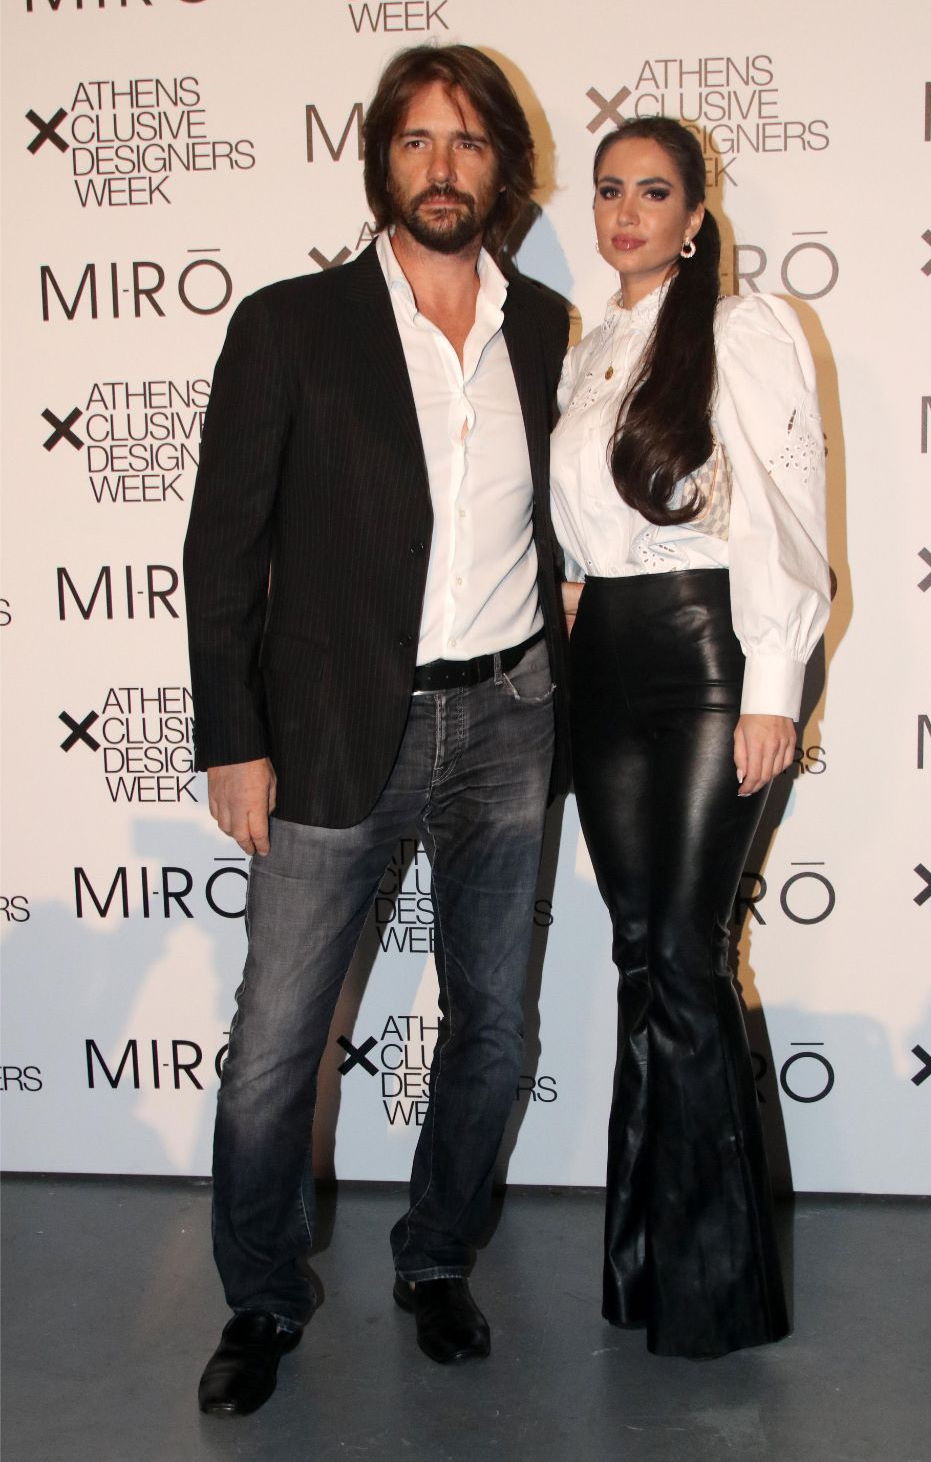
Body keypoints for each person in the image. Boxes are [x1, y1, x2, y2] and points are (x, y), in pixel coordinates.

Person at [183, 44, 569, 1414]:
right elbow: (222, 550)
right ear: (380, 165)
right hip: (339, 724)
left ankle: (437, 1256)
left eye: (467, 142)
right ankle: (262, 1294)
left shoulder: (548, 329)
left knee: (496, 1029)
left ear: (501, 168)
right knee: (275, 1043)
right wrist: (233, 738)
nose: (441, 167)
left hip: (511, 718)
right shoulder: (291, 325)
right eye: (416, 141)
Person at [550, 117, 830, 1358]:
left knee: (682, 948)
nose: (625, 212)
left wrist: (773, 684)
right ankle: (642, 1267)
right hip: (605, 661)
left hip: (715, 655)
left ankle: (715, 1289)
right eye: (609, 189)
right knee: (637, 955)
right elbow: (580, 516)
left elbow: (783, 509)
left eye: (653, 192)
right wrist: (575, 586)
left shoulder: (740, 328)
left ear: (694, 216)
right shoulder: (584, 348)